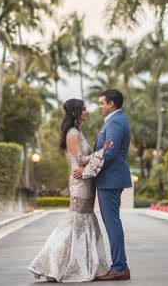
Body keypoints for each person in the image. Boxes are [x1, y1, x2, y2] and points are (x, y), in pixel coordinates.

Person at [28, 99, 113, 283]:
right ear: (75, 112)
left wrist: (99, 154)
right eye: (83, 109)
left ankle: (82, 264)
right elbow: (81, 159)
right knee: (76, 220)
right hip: (79, 182)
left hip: (86, 181)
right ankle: (52, 264)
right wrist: (102, 152)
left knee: (85, 220)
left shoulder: (78, 132)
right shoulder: (72, 133)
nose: (87, 111)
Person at [80, 89, 132, 281]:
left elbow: (108, 153)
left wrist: (85, 172)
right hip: (109, 179)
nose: (100, 106)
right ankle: (121, 266)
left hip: (110, 179)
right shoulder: (114, 121)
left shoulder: (116, 122)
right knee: (112, 222)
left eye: (102, 103)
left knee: (112, 223)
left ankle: (119, 267)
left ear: (111, 104)